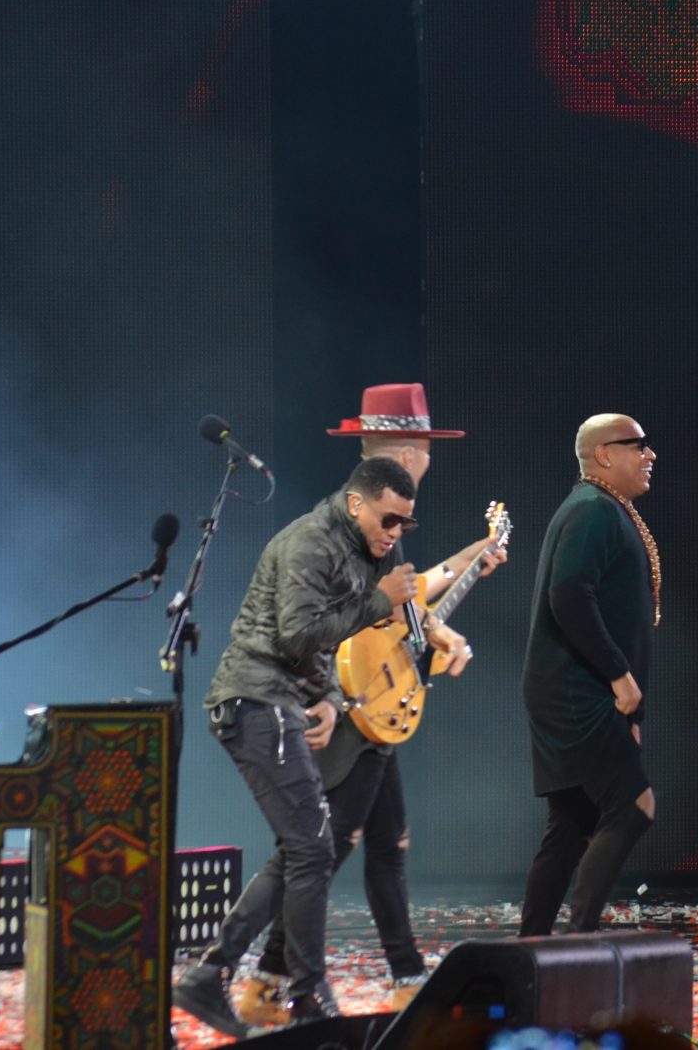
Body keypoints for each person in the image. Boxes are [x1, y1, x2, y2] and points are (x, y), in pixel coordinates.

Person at [235, 384, 503, 1028]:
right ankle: (265, 978)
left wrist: (466, 569)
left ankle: (403, 977)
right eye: (412, 447)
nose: (418, 459)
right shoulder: (361, 521)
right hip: (349, 701)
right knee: (329, 846)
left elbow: (406, 603)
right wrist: (437, 632)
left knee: (382, 840)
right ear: (391, 449)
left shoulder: (382, 519)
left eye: (419, 448)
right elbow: (360, 613)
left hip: (372, 699)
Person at [174, 456, 462, 1036]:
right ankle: (304, 995)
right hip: (253, 700)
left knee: (304, 850)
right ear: (358, 503)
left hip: (283, 703)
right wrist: (380, 600)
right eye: (388, 520)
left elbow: (324, 649)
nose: (394, 534)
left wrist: (330, 697)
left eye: (404, 526)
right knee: (311, 851)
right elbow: (297, 633)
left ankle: (214, 975)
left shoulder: (360, 550)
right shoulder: (311, 542)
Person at [518, 414, 660, 936]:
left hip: (580, 692)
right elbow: (569, 594)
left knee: (573, 821)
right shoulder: (592, 511)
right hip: (578, 693)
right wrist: (620, 676)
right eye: (637, 445)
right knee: (634, 805)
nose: (650, 455)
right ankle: (580, 937)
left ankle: (532, 941)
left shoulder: (602, 509)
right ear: (604, 454)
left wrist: (632, 709)